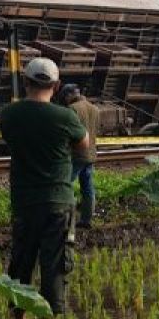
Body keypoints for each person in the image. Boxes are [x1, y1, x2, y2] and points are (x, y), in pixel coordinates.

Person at [0, 58, 88, 319]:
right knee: (54, 265)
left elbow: (10, 141)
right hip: (57, 202)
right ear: (56, 85)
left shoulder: (10, 115)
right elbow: (83, 145)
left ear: (26, 82)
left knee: (21, 263)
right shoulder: (65, 117)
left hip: (24, 202)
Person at [60, 84, 100, 229]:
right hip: (91, 154)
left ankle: (65, 219)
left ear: (69, 95)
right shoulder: (95, 109)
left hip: (76, 155)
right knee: (88, 188)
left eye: (65, 97)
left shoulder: (72, 110)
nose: (65, 100)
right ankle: (87, 219)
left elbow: (68, 134)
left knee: (65, 185)